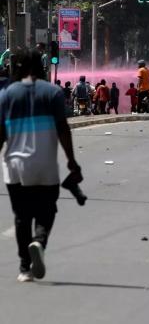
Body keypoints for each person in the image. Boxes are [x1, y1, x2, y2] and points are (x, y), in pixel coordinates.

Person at [0, 47, 83, 282]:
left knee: (21, 216)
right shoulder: (53, 93)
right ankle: (39, 240)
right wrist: (71, 161)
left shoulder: (6, 95)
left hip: (15, 167)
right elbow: (63, 129)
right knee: (47, 210)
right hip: (45, 166)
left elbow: (0, 132)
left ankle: (25, 267)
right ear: (41, 67)